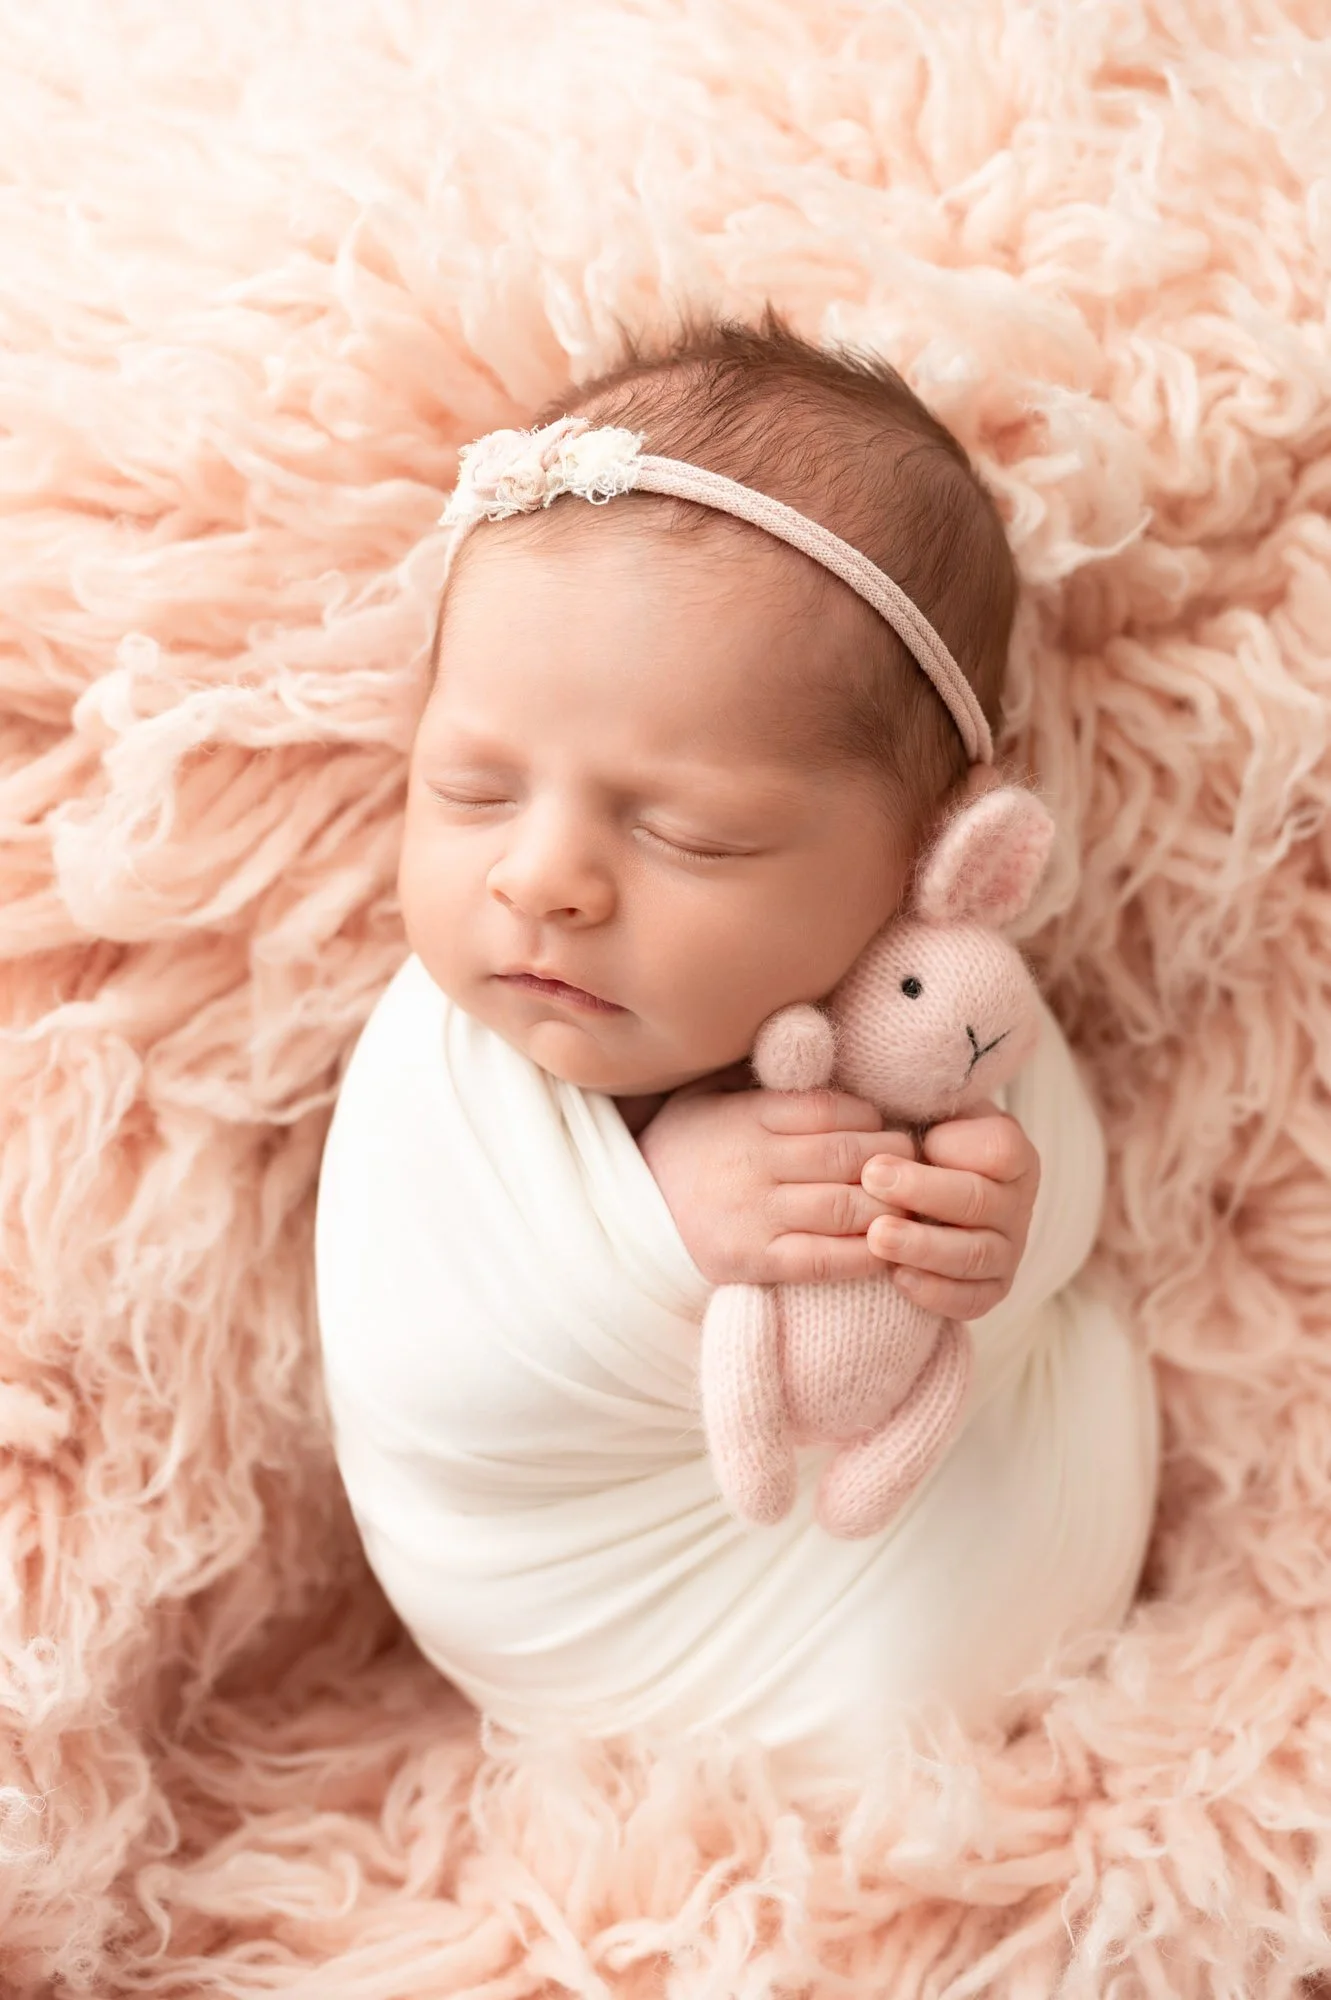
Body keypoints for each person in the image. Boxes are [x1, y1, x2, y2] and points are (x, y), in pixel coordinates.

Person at [314, 313, 1158, 1790]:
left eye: (686, 833)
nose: (541, 879)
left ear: (932, 853)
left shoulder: (947, 1013)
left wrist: (987, 1225)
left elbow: (1069, 1236)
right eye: (473, 790)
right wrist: (660, 1237)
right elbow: (425, 1381)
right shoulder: (438, 1071)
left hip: (947, 1573)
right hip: (576, 1607)